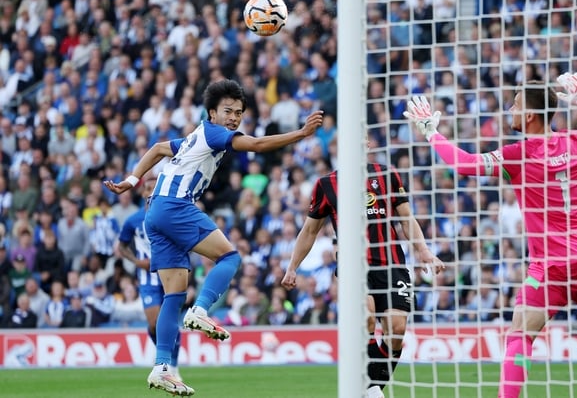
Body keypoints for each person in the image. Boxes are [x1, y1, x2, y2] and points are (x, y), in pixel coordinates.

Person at [404, 73, 577, 398]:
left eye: (514, 105)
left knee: (519, 334)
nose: (510, 111)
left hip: (552, 264)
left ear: (528, 115)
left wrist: (431, 134)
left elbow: (465, 164)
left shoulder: (520, 154)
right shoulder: (576, 141)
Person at [104, 79, 323, 396]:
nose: (234, 118)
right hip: (174, 206)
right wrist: (301, 134)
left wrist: (131, 180)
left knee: (174, 296)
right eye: (228, 111)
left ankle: (162, 367)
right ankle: (202, 310)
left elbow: (157, 149)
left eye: (238, 113)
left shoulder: (195, 137)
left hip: (155, 215)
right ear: (212, 113)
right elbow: (258, 145)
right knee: (230, 257)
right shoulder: (214, 133)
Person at [281, 149, 445, 398]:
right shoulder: (326, 184)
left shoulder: (386, 174)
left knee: (397, 329)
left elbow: (406, 218)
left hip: (391, 264)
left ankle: (370, 387)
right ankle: (372, 390)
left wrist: (424, 251)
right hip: (353, 265)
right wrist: (292, 266)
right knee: (366, 318)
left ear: (367, 144)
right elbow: (310, 231)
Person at [114, 175, 183, 380]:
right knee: (154, 324)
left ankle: (173, 366)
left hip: (170, 274)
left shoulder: (170, 215)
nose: (151, 191)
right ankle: (165, 355)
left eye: (155, 188)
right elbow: (122, 246)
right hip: (148, 278)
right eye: (148, 188)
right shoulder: (133, 220)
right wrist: (136, 262)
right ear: (142, 193)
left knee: (169, 321)